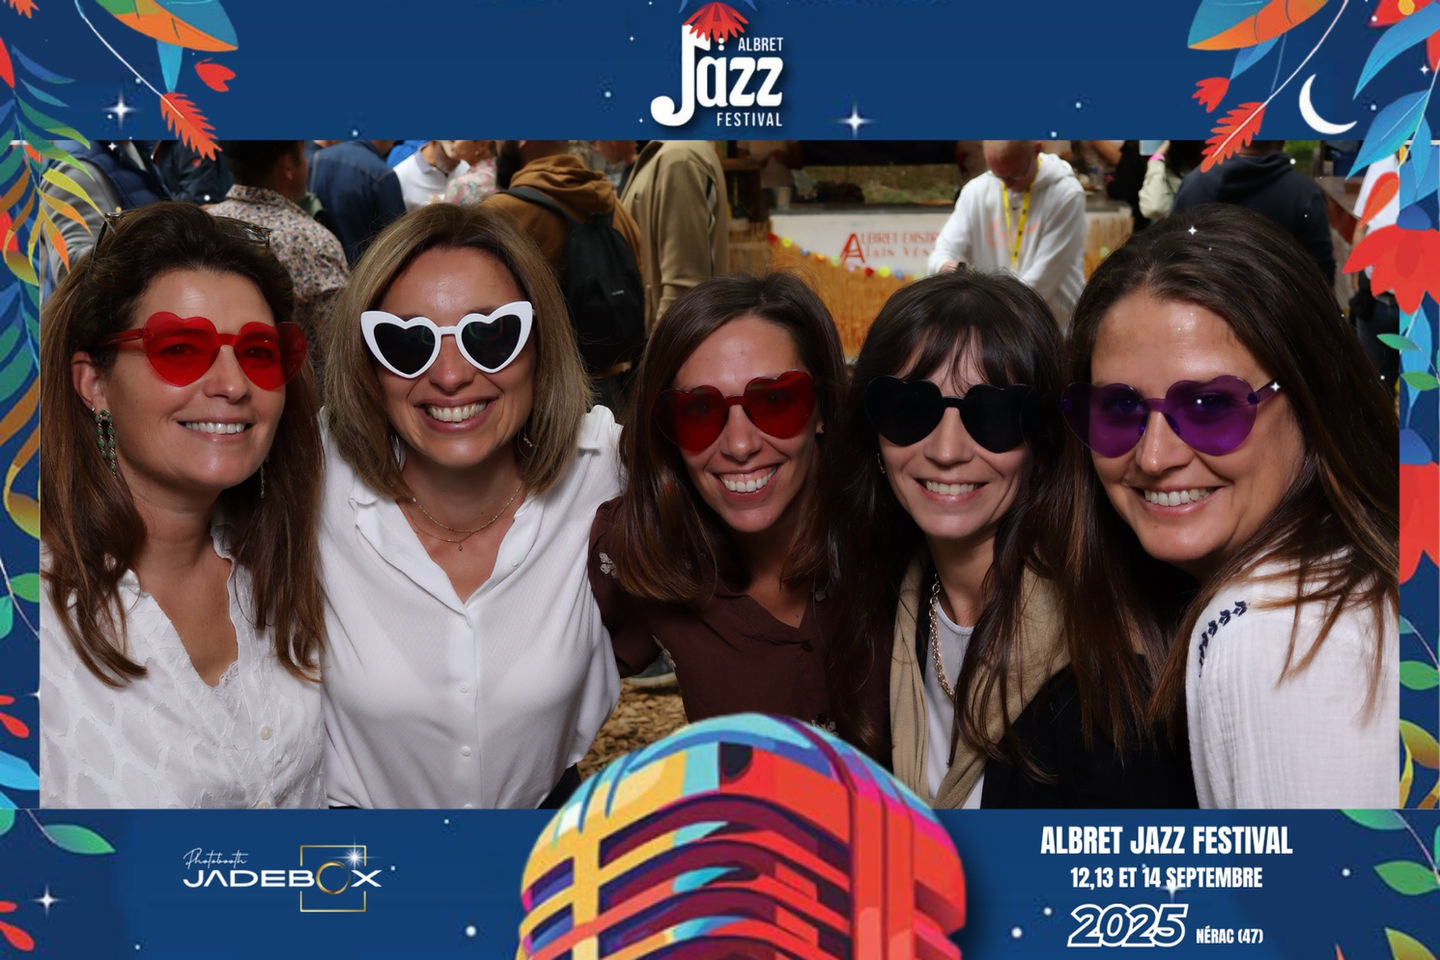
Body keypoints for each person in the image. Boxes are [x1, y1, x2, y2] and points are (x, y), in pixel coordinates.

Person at [1061, 204, 1398, 808]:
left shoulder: (1269, 634)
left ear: (1312, 400)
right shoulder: (1343, 575)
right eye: (1118, 409)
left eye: (1210, 407)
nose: (1154, 456)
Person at [828, 271, 1195, 808]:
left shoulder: (1106, 657)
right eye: (910, 410)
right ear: (874, 435)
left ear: (1042, 442)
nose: (947, 451)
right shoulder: (883, 608)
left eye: (992, 415)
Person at [320, 203, 621, 808]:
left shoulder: (603, 469)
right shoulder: (310, 477)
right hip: (359, 856)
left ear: (539, 346)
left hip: (540, 839)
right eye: (406, 344)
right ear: (369, 366)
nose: (452, 375)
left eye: (492, 335)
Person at [39, 202, 324, 808]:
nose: (233, 385)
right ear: (94, 384)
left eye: (258, 353)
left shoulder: (292, 561)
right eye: (179, 349)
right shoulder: (27, 615)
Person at [588, 274, 847, 728]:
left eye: (776, 401)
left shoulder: (895, 534)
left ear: (821, 407)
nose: (740, 445)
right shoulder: (641, 547)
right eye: (698, 411)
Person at [926, 140, 1087, 325]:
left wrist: (986, 306)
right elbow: (941, 253)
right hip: (999, 319)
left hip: (1054, 323)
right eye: (998, 175)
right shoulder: (976, 191)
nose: (1006, 184)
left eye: (1015, 176)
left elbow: (1042, 281)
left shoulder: (1065, 193)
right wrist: (947, 267)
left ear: (1037, 150)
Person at [208, 140, 349, 346]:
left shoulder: (208, 224)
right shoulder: (313, 242)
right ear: (288, 166)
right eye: (302, 154)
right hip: (291, 365)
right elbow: (339, 340)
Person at [1172, 140, 1335, 284]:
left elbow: (1172, 254)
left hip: (1202, 301)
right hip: (1278, 306)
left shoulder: (1192, 184)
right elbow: (1321, 272)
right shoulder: (1305, 193)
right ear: (1282, 141)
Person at [620, 140, 730, 331]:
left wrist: (662, 343)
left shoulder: (679, 158)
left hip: (672, 333)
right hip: (664, 329)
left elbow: (683, 284)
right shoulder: (669, 154)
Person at [309, 139, 406, 266]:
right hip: (365, 269)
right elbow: (398, 241)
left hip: (322, 264)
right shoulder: (381, 173)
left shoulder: (316, 159)